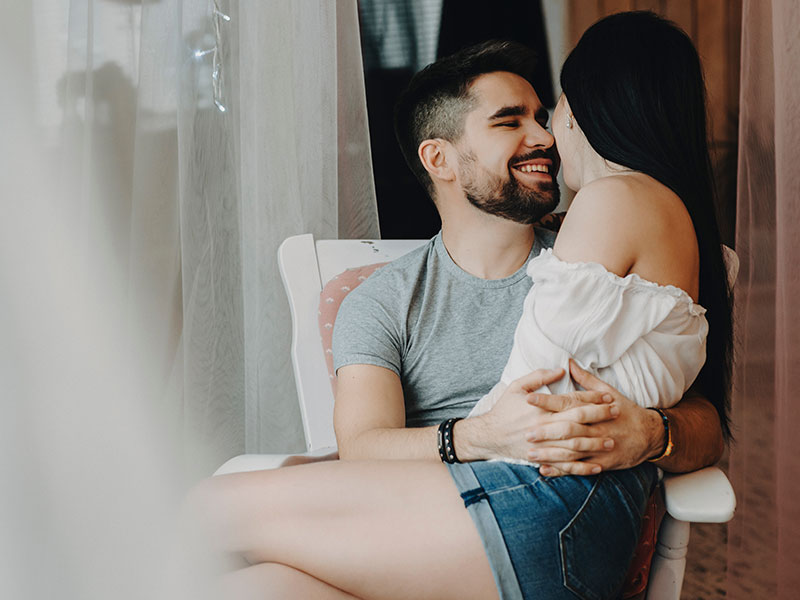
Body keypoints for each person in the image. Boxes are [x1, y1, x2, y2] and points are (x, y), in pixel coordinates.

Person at [183, 13, 729, 600]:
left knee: (203, 513)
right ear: (439, 159)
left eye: (544, 116)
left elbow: (702, 422)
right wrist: (482, 435)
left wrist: (651, 433)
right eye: (509, 121)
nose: (544, 136)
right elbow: (364, 445)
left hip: (530, 518)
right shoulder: (380, 299)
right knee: (255, 587)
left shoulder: (599, 260)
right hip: (437, 525)